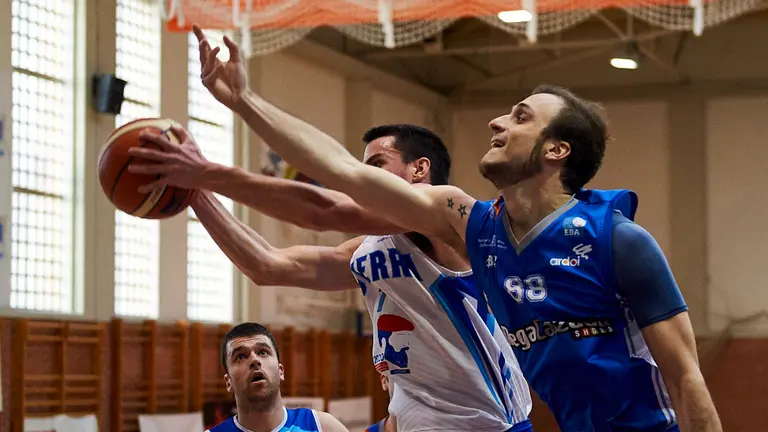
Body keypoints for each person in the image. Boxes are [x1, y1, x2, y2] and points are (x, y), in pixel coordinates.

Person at [176, 26, 723, 432]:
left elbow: (687, 378)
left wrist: (205, 174)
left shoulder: (616, 239)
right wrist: (240, 106)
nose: (497, 122)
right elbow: (329, 187)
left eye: (520, 116)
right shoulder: (474, 226)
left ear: (556, 151)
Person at [130, 121, 533, 431]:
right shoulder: (367, 249)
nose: (363, 181)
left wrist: (204, 172)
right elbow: (265, 265)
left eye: (376, 166)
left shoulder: (444, 223)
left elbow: (323, 209)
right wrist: (196, 195)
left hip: (490, 424)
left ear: (419, 170)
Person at [207, 322, 349, 432]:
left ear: (280, 370)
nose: (254, 360)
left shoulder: (322, 426)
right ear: (228, 382)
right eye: (241, 356)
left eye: (262, 352)